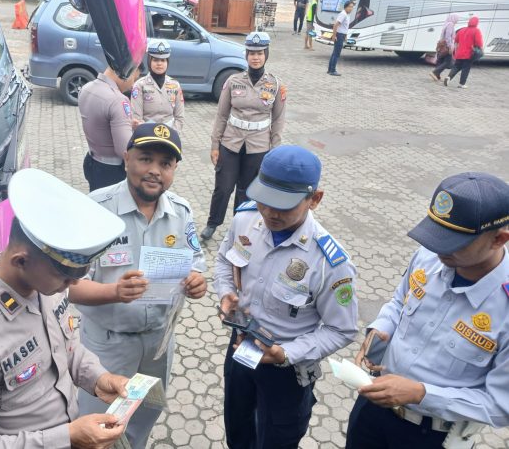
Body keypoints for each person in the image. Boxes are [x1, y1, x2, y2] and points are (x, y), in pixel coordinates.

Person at [0, 168, 132, 449]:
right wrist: (67, 437)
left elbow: (66, 349)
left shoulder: (46, 287)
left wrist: (99, 378)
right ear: (21, 261)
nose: (73, 283)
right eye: (65, 275)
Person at [68, 123, 207, 449]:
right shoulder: (96, 210)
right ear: (127, 157)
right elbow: (67, 286)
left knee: (145, 415)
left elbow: (195, 260)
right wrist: (113, 292)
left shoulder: (180, 213)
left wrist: (197, 280)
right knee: (98, 430)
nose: (155, 171)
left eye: (166, 164)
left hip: (158, 346)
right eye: (146, 159)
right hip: (107, 347)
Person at [346, 172, 509, 449]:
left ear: (499, 239)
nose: (438, 249)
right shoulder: (429, 256)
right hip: (373, 408)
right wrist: (380, 329)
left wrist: (421, 394)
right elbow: (400, 301)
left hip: (431, 436)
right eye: (436, 235)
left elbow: (499, 406)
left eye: (454, 241)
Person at [215, 145, 359, 449]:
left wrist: (286, 353)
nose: (270, 212)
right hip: (242, 346)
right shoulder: (245, 220)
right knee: (238, 427)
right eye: (265, 201)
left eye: (284, 206)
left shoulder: (329, 261)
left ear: (315, 199)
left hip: (287, 368)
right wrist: (226, 293)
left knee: (277, 439)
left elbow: (341, 329)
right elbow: (224, 260)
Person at [201, 31, 287, 241]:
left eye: (259, 53)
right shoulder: (233, 81)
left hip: (258, 146)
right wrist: (215, 144)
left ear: (266, 54)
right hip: (231, 143)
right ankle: (213, 223)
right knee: (223, 187)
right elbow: (221, 115)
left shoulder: (275, 85)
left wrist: (274, 152)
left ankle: (240, 228)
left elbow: (278, 121)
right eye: (251, 53)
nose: (255, 57)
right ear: (246, 55)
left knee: (247, 191)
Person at [79, 63, 142, 192]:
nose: (132, 85)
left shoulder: (87, 88)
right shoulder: (118, 100)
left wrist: (126, 124)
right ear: (127, 71)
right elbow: (124, 150)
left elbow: (100, 122)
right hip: (112, 173)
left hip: (93, 161)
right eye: (134, 79)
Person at [130, 40, 185, 133]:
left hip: (170, 137)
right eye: (155, 60)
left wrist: (170, 135)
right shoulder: (139, 86)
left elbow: (179, 118)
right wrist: (156, 134)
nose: (159, 63)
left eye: (163, 60)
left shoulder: (175, 85)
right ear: (149, 61)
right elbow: (137, 119)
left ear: (167, 62)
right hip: (147, 136)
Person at [444, 16, 484, 89]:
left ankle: (448, 77)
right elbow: (479, 43)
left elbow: (456, 40)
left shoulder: (462, 30)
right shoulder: (476, 30)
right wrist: (481, 49)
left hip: (459, 53)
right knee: (466, 69)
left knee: (456, 66)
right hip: (469, 54)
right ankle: (461, 84)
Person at [327, 0, 354, 76]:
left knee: (334, 53)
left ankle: (330, 69)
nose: (351, 8)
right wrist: (334, 35)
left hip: (342, 35)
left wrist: (345, 36)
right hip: (339, 35)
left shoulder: (346, 14)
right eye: (350, 7)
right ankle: (332, 70)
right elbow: (336, 25)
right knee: (336, 54)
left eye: (352, 7)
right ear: (346, 7)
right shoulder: (343, 14)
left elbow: (344, 27)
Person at [429, 14, 459, 81]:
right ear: (453, 18)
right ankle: (434, 72)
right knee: (448, 62)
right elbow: (448, 36)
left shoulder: (446, 24)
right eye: (457, 19)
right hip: (447, 46)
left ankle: (437, 75)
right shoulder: (450, 25)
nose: (457, 21)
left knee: (441, 60)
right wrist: (450, 46)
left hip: (442, 45)